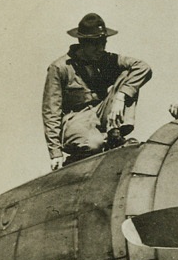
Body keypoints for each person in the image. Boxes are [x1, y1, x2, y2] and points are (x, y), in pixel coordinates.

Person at [42, 13, 151, 170]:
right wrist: (55, 153)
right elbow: (51, 112)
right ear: (82, 43)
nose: (101, 48)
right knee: (94, 144)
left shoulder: (106, 59)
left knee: (128, 75)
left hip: (102, 111)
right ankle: (85, 151)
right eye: (95, 44)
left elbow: (143, 67)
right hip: (76, 119)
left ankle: (115, 135)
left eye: (103, 43)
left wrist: (121, 97)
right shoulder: (60, 68)